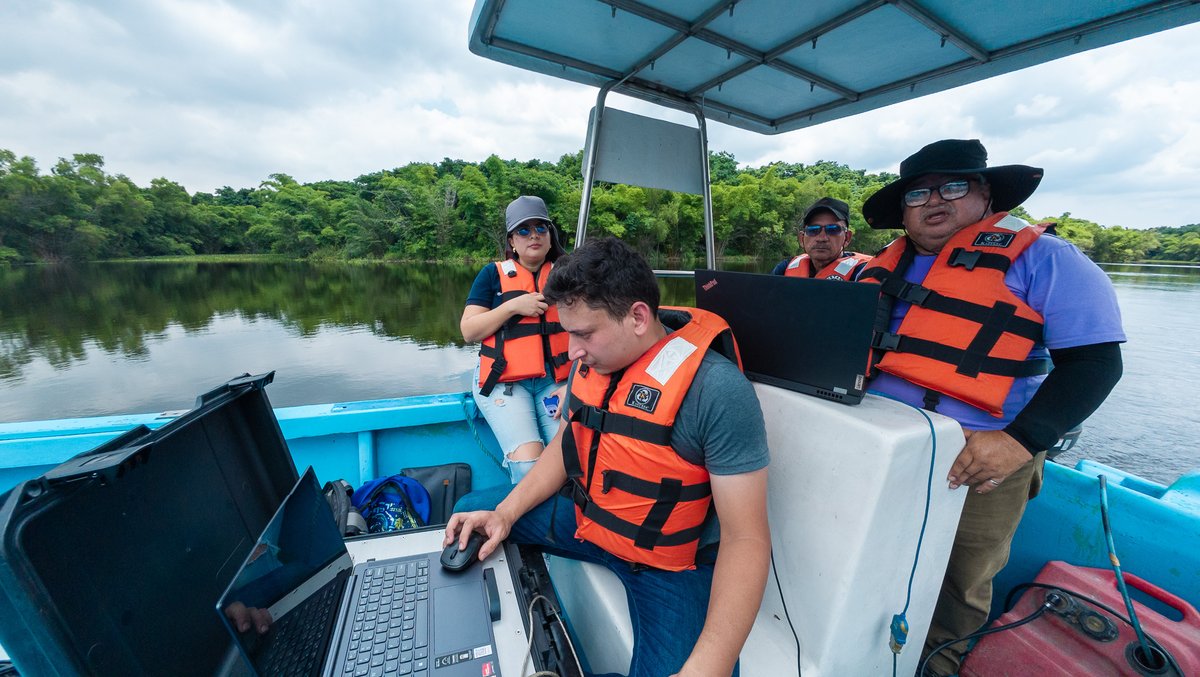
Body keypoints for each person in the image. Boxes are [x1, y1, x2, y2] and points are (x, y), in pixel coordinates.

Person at [445, 237, 771, 677]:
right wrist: (505, 513)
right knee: (471, 517)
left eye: (583, 334)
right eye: (568, 333)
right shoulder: (590, 362)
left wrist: (705, 668)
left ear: (638, 316)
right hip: (590, 521)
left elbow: (746, 540)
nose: (572, 350)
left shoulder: (717, 392)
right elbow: (566, 445)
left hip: (666, 564)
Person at [858, 139, 1125, 675]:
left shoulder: (1046, 259)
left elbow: (1097, 364)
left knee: (961, 579)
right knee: (868, 558)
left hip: (981, 456)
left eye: (953, 186)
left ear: (985, 195)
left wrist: (1020, 442)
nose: (934, 200)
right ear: (903, 211)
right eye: (918, 193)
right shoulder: (875, 268)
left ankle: (939, 663)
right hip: (880, 446)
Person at [461, 195, 570, 483]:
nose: (533, 235)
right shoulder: (491, 276)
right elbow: (469, 330)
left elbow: (591, 332)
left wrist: (574, 383)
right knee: (528, 468)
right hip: (505, 381)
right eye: (524, 230)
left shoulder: (568, 275)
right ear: (512, 241)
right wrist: (512, 307)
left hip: (556, 381)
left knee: (569, 459)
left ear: (550, 236)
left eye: (541, 228)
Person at [771, 196, 872, 280]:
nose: (822, 238)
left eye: (833, 229)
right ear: (802, 239)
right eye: (813, 230)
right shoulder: (784, 269)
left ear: (847, 238)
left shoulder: (863, 272)